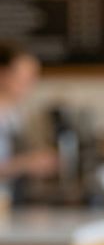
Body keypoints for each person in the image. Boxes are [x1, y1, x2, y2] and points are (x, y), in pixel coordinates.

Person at [0, 42, 58, 184]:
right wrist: (27, 163)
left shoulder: (15, 114)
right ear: (3, 73)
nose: (31, 83)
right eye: (25, 76)